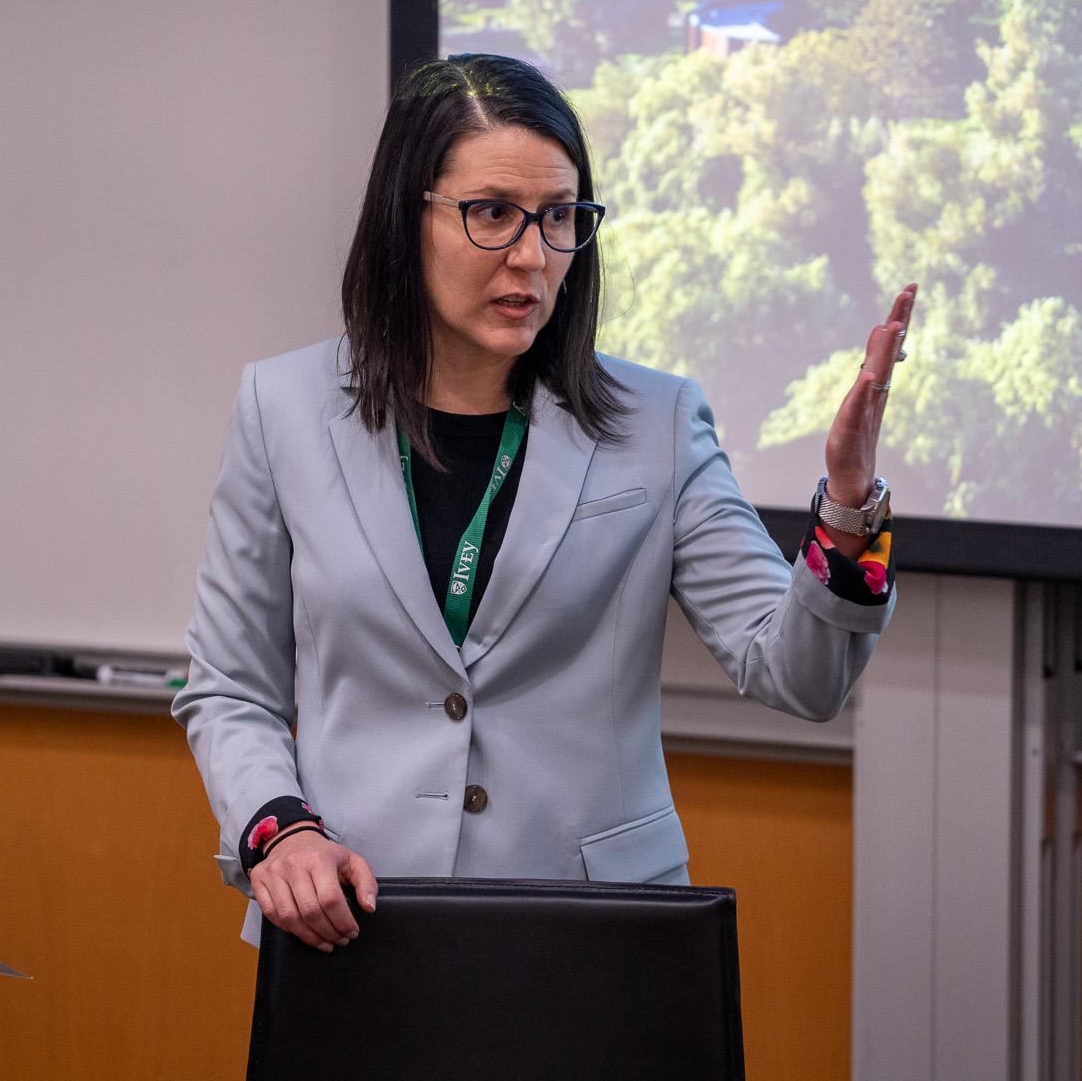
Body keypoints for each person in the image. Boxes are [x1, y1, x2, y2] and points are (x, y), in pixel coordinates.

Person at [173, 53, 917, 951]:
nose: (532, 254)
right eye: (493, 214)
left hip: (591, 934)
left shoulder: (658, 422)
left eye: (560, 218)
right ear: (404, 218)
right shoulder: (282, 410)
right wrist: (278, 828)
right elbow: (230, 688)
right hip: (355, 926)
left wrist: (848, 508)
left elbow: (799, 674)